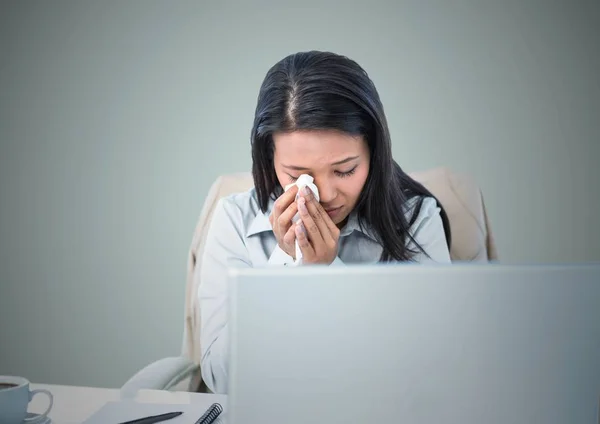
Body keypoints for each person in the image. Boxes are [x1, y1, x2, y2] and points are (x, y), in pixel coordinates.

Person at [197, 51, 452, 394]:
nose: (327, 194)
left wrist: (329, 272)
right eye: (299, 175)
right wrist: (288, 266)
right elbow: (221, 379)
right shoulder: (233, 220)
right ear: (269, 159)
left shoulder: (418, 221)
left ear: (374, 155)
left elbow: (427, 370)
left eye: (345, 170)